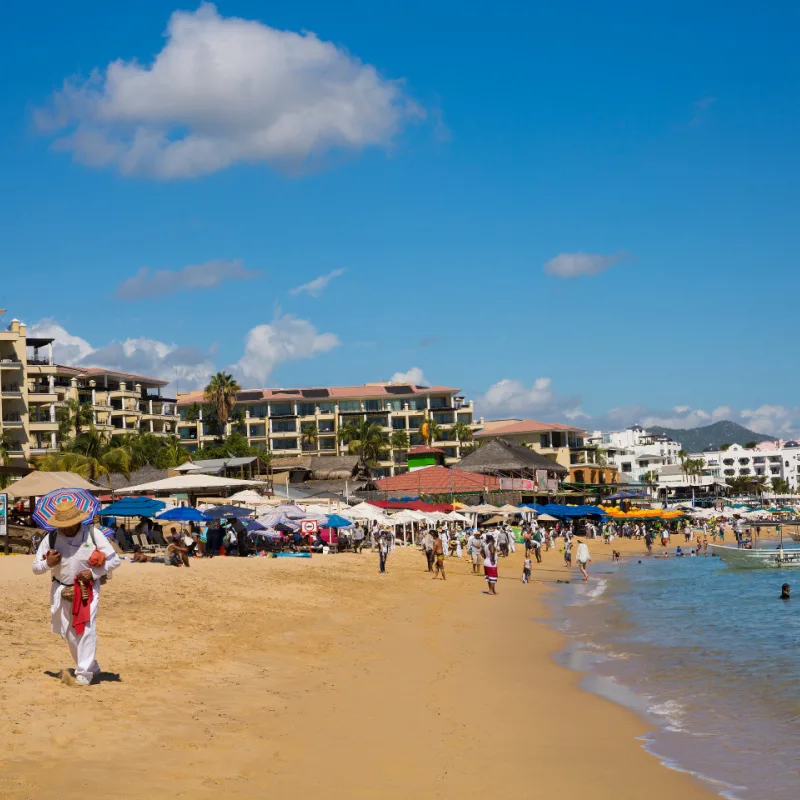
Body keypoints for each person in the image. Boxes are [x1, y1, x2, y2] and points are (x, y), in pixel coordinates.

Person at [32, 499, 121, 686]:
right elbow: (36, 568)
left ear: (77, 521)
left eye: (68, 525)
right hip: (61, 590)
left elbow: (114, 561)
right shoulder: (51, 538)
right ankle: (91, 666)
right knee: (69, 633)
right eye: (61, 525)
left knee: (86, 628)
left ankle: (84, 672)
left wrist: (94, 573)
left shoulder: (93, 535)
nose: (65, 529)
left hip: (87, 589)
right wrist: (48, 564)